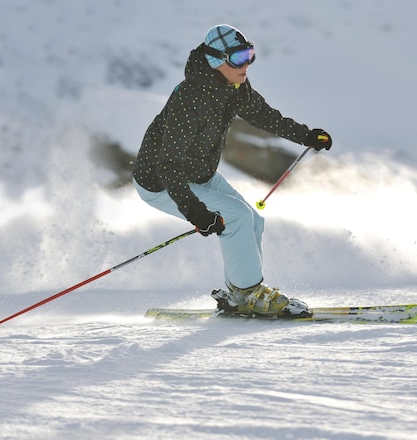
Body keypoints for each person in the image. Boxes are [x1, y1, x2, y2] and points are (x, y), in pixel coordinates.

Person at [133, 24, 332, 316]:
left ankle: (240, 291)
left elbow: (263, 115)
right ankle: (248, 291)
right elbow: (168, 166)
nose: (247, 64)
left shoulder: (233, 87)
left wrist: (305, 136)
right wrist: (195, 211)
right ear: (216, 60)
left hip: (199, 173)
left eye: (250, 54)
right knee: (236, 217)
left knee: (252, 220)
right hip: (162, 183)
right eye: (238, 58)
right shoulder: (189, 100)